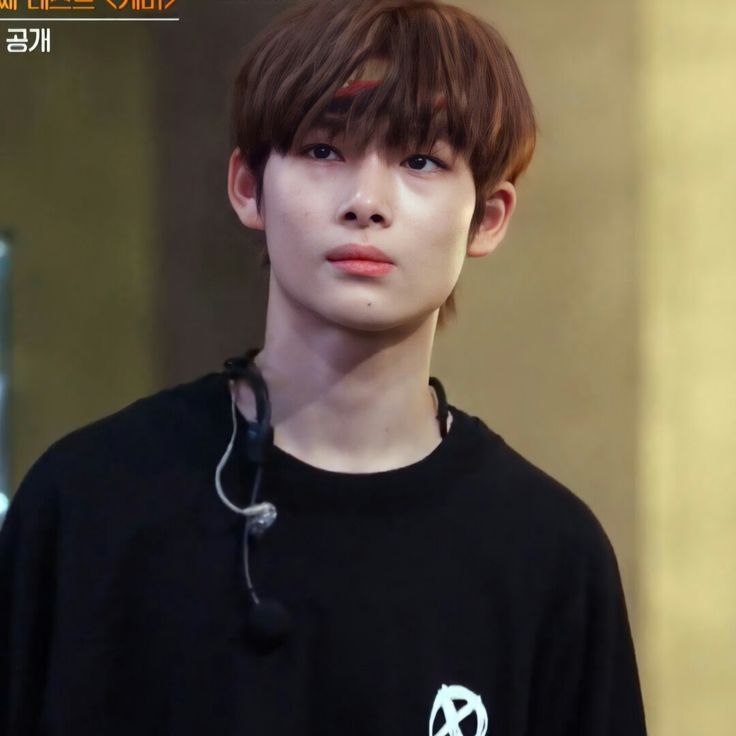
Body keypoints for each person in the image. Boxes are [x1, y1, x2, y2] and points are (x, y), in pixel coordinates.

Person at [0, 0, 647, 733]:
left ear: (489, 217)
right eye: (323, 151)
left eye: (421, 160)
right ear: (248, 186)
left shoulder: (548, 556)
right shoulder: (90, 503)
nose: (366, 202)